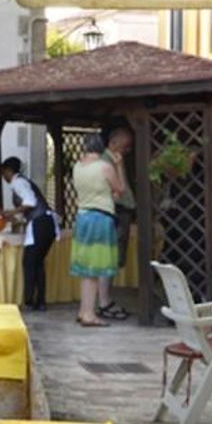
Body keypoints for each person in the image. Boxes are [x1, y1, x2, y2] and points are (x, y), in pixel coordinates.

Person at [70, 135, 123, 327]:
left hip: (82, 216)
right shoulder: (104, 167)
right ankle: (89, 314)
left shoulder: (77, 167)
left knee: (86, 270)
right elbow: (120, 189)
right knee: (94, 268)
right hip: (100, 218)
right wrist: (119, 166)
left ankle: (84, 310)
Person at [0, 157, 56, 311]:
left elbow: (30, 202)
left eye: (3, 172)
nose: (3, 176)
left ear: (9, 171)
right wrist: (15, 215)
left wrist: (12, 211)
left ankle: (30, 301)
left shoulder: (18, 182)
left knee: (29, 262)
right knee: (37, 263)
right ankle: (40, 301)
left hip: (39, 223)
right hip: (47, 222)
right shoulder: (24, 182)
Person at [97, 126, 135, 320]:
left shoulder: (112, 160)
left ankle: (106, 300)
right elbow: (119, 190)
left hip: (115, 213)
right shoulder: (107, 163)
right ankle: (104, 302)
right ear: (113, 143)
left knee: (112, 259)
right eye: (125, 146)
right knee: (109, 259)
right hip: (114, 213)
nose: (127, 150)